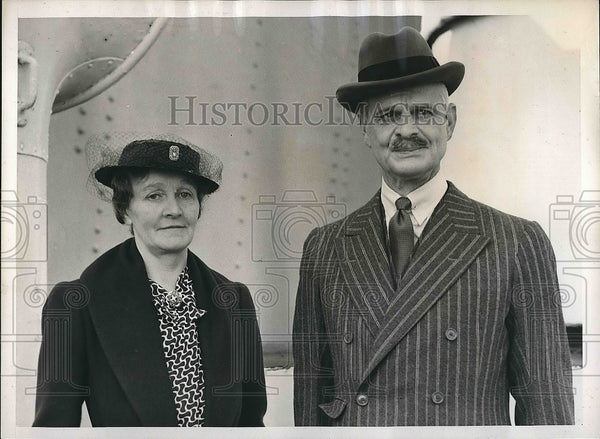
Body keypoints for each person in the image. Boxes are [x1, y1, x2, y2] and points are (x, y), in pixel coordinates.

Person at [293, 27, 574, 426]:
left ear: (451, 123)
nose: (407, 129)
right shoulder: (323, 248)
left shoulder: (515, 242)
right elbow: (311, 406)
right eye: (389, 115)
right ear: (364, 131)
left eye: (424, 113)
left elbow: (548, 413)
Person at [33, 133, 267, 427]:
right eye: (154, 195)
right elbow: (54, 429)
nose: (174, 209)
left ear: (198, 206)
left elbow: (251, 425)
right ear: (125, 210)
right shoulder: (76, 304)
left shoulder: (235, 303)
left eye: (185, 194)